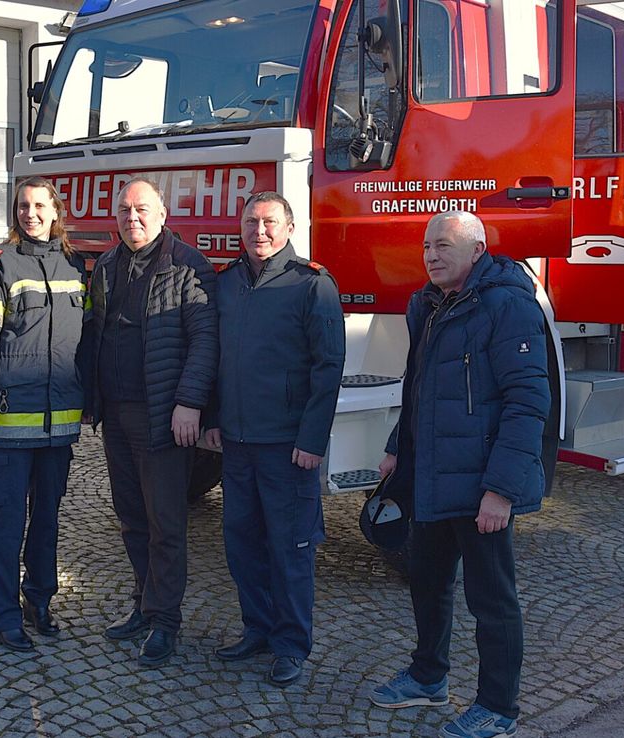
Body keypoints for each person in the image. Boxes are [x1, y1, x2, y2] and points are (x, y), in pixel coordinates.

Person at [368, 210, 549, 738]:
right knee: (427, 582)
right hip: (430, 475)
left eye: (444, 245)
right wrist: (396, 449)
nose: (432, 254)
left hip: (480, 484)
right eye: (427, 246)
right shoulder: (425, 304)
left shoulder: (508, 305)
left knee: (491, 598)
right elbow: (419, 387)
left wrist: (500, 490)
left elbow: (527, 401)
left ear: (477, 249)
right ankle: (428, 677)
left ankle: (498, 706)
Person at [204, 191, 344, 687]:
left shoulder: (312, 284)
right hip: (238, 441)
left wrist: (313, 439)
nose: (257, 232)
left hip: (288, 445)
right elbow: (216, 358)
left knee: (291, 546)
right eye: (249, 223)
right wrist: (214, 417)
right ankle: (257, 628)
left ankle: (291, 643)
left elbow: (329, 369)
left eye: (267, 223)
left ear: (288, 227)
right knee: (242, 542)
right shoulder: (226, 283)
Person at [84, 178, 218, 666]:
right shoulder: (106, 264)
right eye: (123, 210)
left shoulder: (187, 264)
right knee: (131, 517)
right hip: (116, 415)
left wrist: (189, 401)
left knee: (166, 523)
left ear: (163, 214)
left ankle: (165, 621)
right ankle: (144, 603)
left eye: (142, 210)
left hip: (162, 415)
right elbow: (92, 335)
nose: (131, 218)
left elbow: (205, 339)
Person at [0, 177, 88, 653]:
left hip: (59, 428)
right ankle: (5, 617)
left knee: (47, 523)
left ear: (56, 211)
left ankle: (40, 602)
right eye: (22, 206)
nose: (30, 213)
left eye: (39, 205)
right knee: (6, 525)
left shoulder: (76, 267)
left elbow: (86, 342)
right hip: (8, 424)